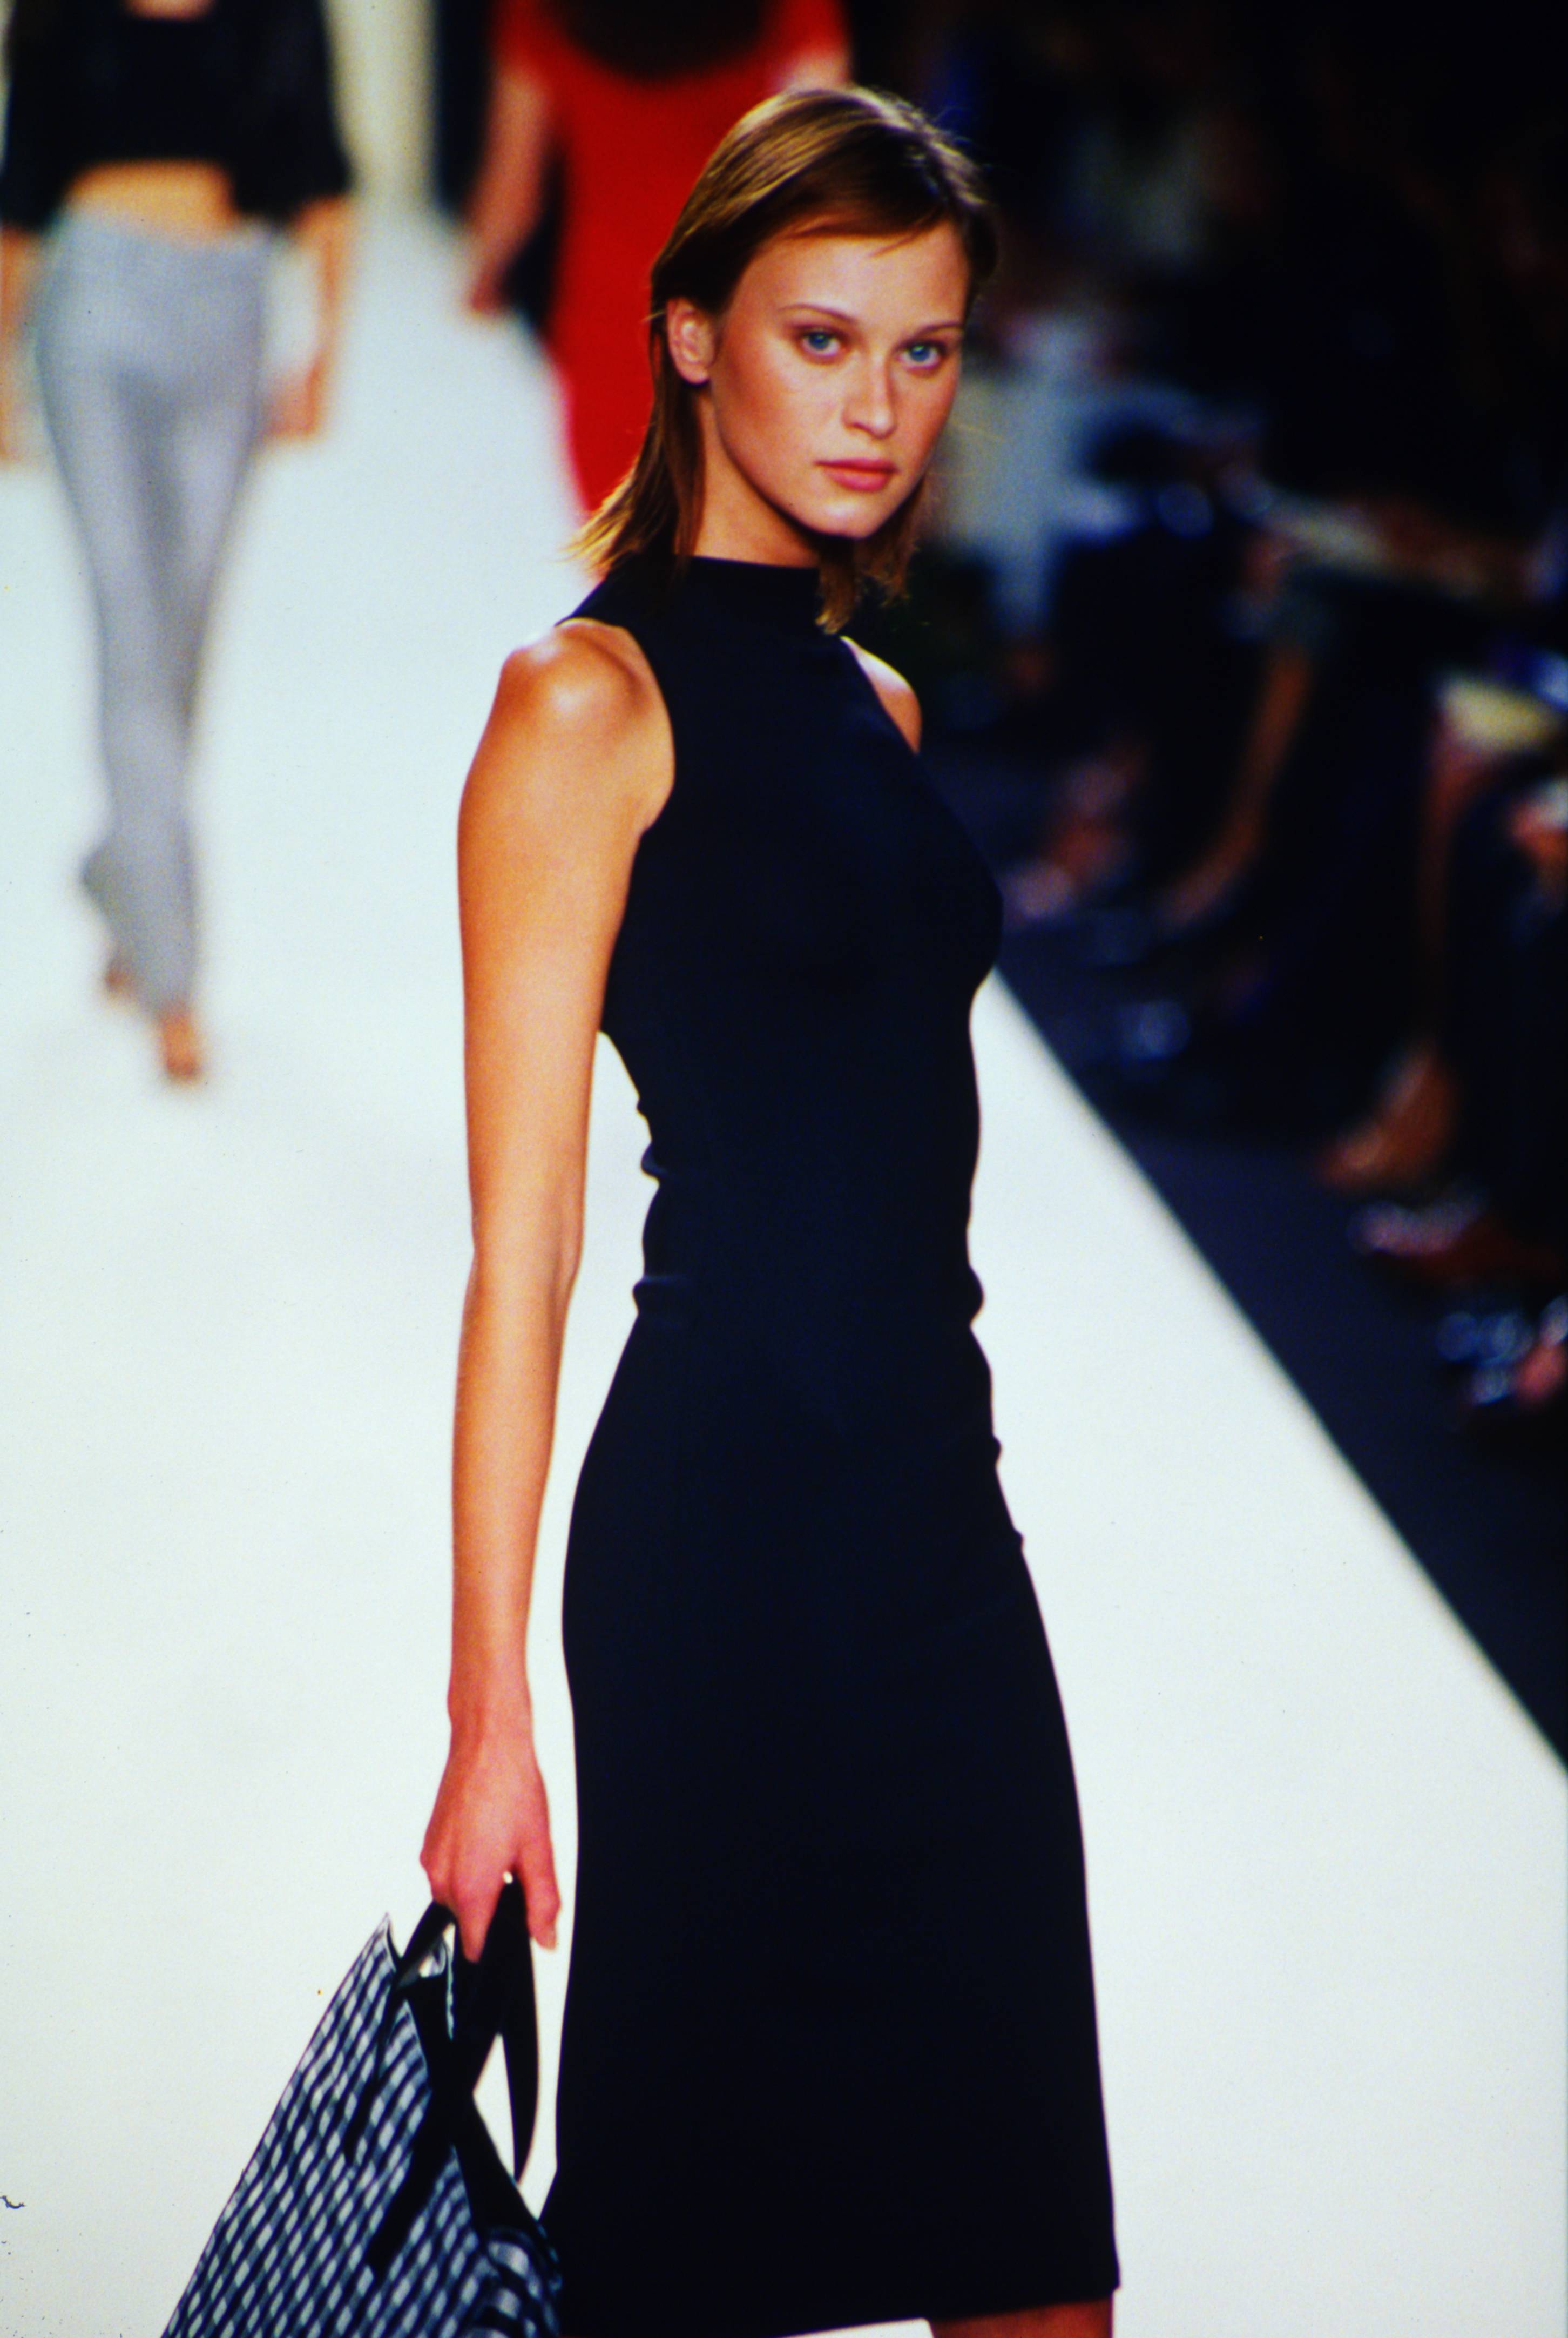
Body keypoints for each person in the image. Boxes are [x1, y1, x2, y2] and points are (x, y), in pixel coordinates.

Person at [422, 86, 1118, 2338]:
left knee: (1035, 2263)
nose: (879, 406)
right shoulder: (582, 706)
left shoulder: (878, 704)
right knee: (695, 2270)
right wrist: (489, 1718)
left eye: (924, 351)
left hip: (940, 1532)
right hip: (719, 1554)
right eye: (824, 340)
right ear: (693, 332)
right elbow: (523, 1246)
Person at [0, 0, 352, 1082]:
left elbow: (322, 176)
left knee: (181, 636)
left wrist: (322, 351)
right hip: (91, 311)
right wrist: (1, 365)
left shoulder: (281, 16)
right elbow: (23, 187)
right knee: (130, 633)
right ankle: (175, 982)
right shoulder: (62, 14)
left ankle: (125, 875)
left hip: (227, 308)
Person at [464, 0, 848, 511]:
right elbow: (826, 171)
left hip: (608, 327)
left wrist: (484, 279)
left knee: (624, 536)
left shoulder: (538, 11)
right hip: (738, 317)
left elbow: (514, 192)